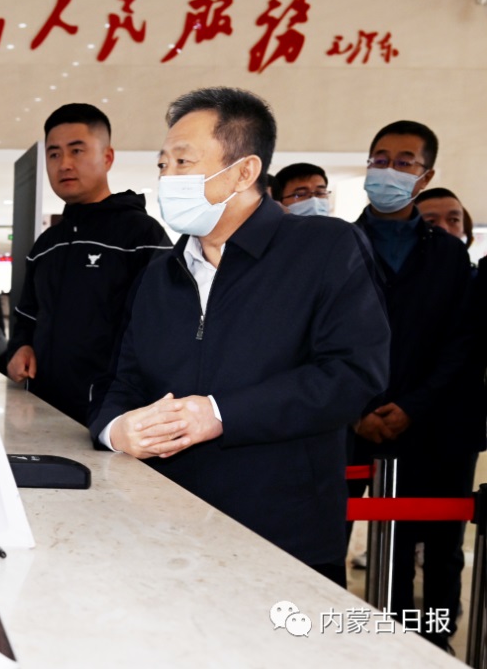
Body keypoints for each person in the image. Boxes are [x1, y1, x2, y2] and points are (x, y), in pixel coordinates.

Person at [89, 87, 389, 586]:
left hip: (283, 535)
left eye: (183, 162)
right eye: (163, 165)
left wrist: (221, 413)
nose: (167, 178)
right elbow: (123, 379)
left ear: (245, 172)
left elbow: (353, 375)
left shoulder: (325, 249)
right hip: (164, 529)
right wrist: (116, 429)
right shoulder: (159, 273)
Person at [349, 121, 476, 650]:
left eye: (404, 162)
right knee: (333, 541)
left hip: (429, 424)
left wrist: (412, 406)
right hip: (347, 422)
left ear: (424, 177)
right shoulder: (334, 244)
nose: (389, 171)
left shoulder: (447, 255)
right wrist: (357, 408)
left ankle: (433, 644)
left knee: (437, 548)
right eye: (380, 159)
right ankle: (364, 645)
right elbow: (315, 336)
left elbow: (459, 344)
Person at [6, 103, 170, 424]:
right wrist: (21, 347)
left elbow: (162, 330)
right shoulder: (46, 244)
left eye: (77, 151)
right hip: (45, 413)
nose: (64, 164)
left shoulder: (142, 235)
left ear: (107, 157)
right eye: (54, 154)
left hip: (112, 420)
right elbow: (26, 316)